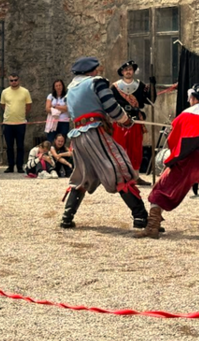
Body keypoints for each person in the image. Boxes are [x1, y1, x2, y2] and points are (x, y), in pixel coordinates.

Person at [59, 56, 148, 231]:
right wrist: (125, 120)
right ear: (91, 71)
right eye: (96, 69)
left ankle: (67, 217)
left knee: (82, 174)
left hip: (78, 135)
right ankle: (141, 217)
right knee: (120, 168)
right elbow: (111, 106)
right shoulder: (96, 82)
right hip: (95, 131)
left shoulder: (71, 89)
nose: (97, 72)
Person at [136, 84, 199, 239]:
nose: (189, 101)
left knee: (161, 189)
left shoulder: (185, 115)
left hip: (189, 160)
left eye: (190, 98)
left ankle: (152, 227)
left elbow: (173, 140)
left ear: (194, 98)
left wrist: (173, 157)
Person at [111, 61, 155, 185]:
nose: (128, 71)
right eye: (125, 69)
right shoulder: (114, 87)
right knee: (119, 148)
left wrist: (152, 85)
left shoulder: (140, 86)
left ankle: (135, 176)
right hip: (120, 121)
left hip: (136, 121)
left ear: (133, 71)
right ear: (122, 72)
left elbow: (151, 100)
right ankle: (119, 177)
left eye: (130, 69)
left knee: (136, 149)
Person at [0, 73, 32, 173]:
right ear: (9, 81)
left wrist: (22, 114)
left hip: (20, 123)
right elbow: (3, 105)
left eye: (15, 80)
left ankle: (19, 166)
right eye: (11, 80)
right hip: (8, 123)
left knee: (20, 146)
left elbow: (28, 105)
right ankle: (10, 166)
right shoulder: (5, 92)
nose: (13, 82)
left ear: (19, 80)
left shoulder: (25, 91)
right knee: (9, 146)